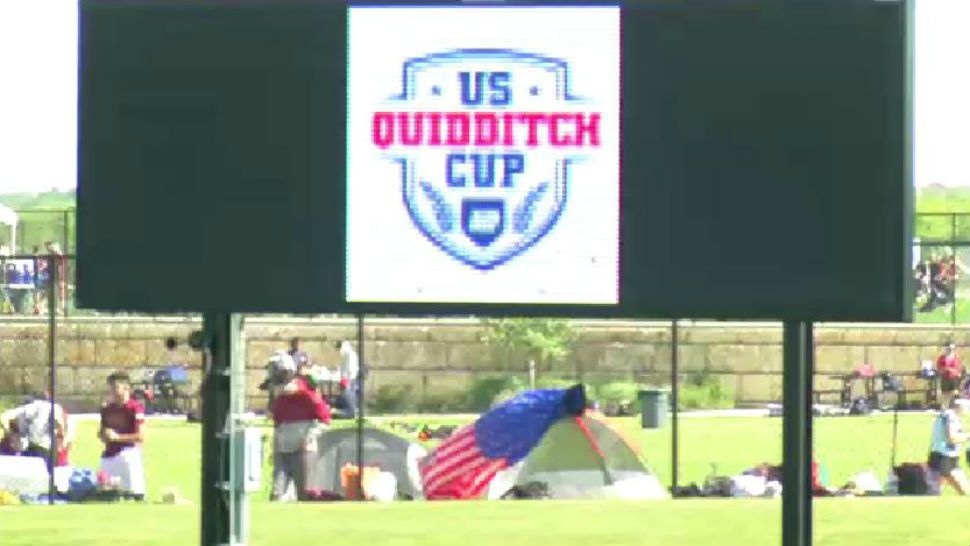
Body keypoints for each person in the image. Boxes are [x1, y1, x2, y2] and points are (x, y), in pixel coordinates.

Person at [270, 367, 331, 501]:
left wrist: (309, 437)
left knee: (304, 492)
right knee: (276, 492)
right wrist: (274, 446)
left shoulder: (310, 397)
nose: (277, 390)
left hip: (303, 451)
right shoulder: (281, 400)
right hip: (282, 450)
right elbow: (277, 425)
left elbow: (325, 421)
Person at [98, 371, 146, 500]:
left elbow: (140, 436)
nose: (112, 391)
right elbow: (102, 432)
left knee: (134, 492)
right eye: (111, 388)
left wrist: (117, 437)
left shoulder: (135, 408)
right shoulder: (107, 409)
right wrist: (104, 435)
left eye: (115, 387)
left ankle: (133, 490)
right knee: (103, 490)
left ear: (126, 388)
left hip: (128, 451)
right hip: (109, 454)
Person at [0, 392, 69, 471]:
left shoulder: (27, 407)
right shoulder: (54, 408)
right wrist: (61, 439)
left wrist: (10, 434)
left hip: (28, 447)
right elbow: (59, 424)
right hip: (44, 447)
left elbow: (4, 417)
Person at [928, 397, 970, 495]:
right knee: (935, 491)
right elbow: (952, 438)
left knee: (964, 491)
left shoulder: (949, 415)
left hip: (948, 457)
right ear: (959, 406)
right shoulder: (951, 416)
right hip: (943, 457)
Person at [338, 340, 360, 418]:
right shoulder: (348, 355)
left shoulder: (350, 355)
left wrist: (346, 378)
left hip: (349, 379)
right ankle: (351, 410)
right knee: (349, 395)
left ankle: (351, 411)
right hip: (348, 378)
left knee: (348, 395)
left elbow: (350, 369)